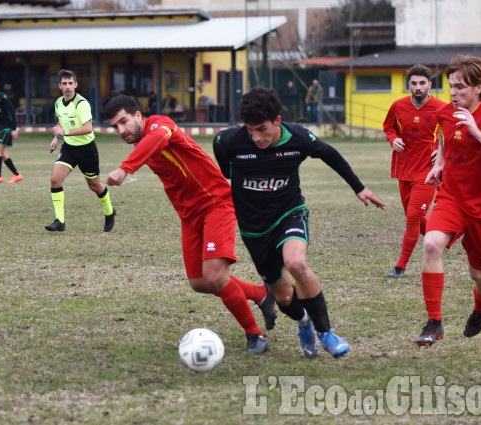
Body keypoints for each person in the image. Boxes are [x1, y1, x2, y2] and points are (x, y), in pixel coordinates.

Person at [213, 87, 386, 358]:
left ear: (277, 121)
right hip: (253, 228)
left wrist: (359, 188)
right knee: (283, 297)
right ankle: (304, 323)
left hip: (288, 213)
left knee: (296, 263)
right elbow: (225, 171)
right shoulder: (227, 141)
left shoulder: (298, 138)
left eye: (262, 129)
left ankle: (326, 333)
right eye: (250, 130)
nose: (256, 137)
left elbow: (329, 153)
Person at [103, 94, 276, 355]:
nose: (121, 130)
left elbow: (159, 137)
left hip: (216, 204)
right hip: (190, 215)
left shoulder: (160, 125)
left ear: (139, 115)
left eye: (124, 122)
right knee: (199, 281)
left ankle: (255, 335)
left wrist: (126, 168)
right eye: (115, 126)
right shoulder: (142, 142)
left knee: (215, 276)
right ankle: (261, 294)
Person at [415, 55, 481, 347]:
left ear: (479, 88)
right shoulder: (447, 112)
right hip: (450, 198)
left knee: (478, 271)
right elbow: (444, 135)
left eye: (460, 87)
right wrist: (439, 161)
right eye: (451, 86)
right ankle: (434, 322)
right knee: (432, 243)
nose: (453, 92)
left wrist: (476, 131)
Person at [383, 64, 446, 279]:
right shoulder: (398, 106)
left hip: (427, 172)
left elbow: (453, 133)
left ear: (429, 85)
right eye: (414, 83)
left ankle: (400, 266)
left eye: (422, 83)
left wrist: (442, 152)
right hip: (404, 169)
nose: (418, 87)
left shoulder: (441, 108)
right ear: (408, 85)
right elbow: (388, 127)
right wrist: (394, 139)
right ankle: (448, 238)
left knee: (412, 217)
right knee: (415, 219)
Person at [46, 69, 116, 232]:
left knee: (95, 185)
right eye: (64, 83)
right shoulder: (58, 103)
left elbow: (88, 128)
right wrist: (56, 137)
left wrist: (66, 132)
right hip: (69, 148)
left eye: (71, 83)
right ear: (60, 86)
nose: (68, 86)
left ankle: (110, 211)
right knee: (55, 180)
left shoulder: (81, 104)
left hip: (87, 150)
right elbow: (61, 121)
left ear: (76, 84)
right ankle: (60, 221)